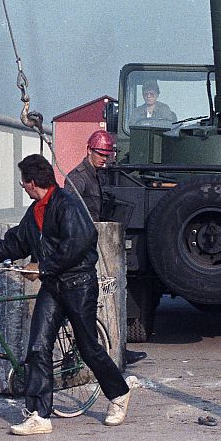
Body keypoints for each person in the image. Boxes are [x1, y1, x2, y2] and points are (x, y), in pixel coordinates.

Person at [0, 154, 132, 436]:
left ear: (32, 182)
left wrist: (42, 266)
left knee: (88, 347)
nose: (22, 186)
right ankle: (39, 415)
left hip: (78, 285)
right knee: (37, 347)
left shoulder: (67, 205)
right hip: (52, 286)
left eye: (23, 182)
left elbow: (78, 243)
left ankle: (119, 394)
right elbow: (15, 243)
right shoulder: (35, 211)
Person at [67, 131, 147, 365]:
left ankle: (118, 349)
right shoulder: (77, 178)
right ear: (89, 151)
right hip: (86, 247)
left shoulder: (98, 176)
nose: (104, 158)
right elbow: (70, 215)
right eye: (101, 154)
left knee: (112, 298)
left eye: (107, 155)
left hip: (101, 242)